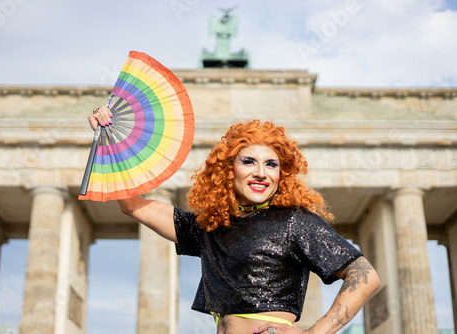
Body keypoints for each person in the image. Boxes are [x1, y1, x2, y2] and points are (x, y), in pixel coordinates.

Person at [89, 106, 381, 334]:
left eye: (271, 165)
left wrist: (317, 330)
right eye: (248, 161)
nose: (261, 173)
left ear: (282, 174)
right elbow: (132, 205)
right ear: (229, 170)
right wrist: (109, 138)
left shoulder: (294, 221)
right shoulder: (208, 227)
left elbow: (365, 276)